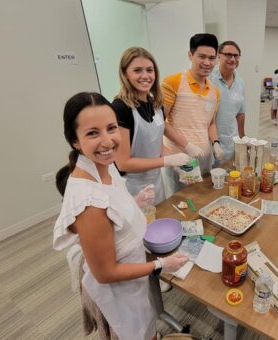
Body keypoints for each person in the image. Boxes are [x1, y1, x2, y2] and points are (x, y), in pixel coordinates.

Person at [53, 92, 188, 340]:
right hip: (117, 289)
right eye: (93, 133)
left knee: (147, 325)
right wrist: (160, 265)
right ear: (75, 140)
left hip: (132, 270)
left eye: (111, 128)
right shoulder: (88, 202)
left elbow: (111, 213)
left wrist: (133, 202)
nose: (108, 141)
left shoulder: (103, 165)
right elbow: (106, 272)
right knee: (135, 333)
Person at [112, 47, 189, 205]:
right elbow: (123, 162)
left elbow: (157, 146)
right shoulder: (121, 108)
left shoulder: (155, 103)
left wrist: (176, 163)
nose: (145, 76)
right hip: (132, 187)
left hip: (155, 182)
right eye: (138, 70)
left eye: (149, 70)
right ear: (125, 74)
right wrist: (166, 162)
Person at [161, 33, 222, 193]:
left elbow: (211, 123)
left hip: (204, 157)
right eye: (202, 56)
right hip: (179, 158)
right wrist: (186, 145)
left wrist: (215, 142)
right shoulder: (172, 82)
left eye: (212, 58)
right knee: (180, 203)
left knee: (202, 198)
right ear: (190, 55)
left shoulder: (215, 91)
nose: (207, 63)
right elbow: (160, 123)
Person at [209, 41, 245, 161]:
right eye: (228, 55)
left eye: (236, 55)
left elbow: (240, 112)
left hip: (232, 142)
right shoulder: (209, 79)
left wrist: (242, 138)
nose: (233, 59)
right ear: (219, 56)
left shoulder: (240, 82)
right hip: (212, 143)